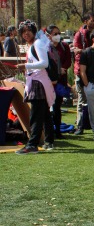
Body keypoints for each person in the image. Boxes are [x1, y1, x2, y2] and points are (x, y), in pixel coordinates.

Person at [15, 20, 56, 154]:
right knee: (44, 113)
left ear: (33, 31)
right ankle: (49, 141)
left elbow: (43, 63)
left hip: (38, 83)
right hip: (37, 81)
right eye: (23, 31)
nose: (26, 34)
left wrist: (25, 66)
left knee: (36, 114)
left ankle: (32, 144)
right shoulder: (34, 44)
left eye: (28, 30)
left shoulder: (37, 43)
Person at [46, 24, 72, 139]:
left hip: (60, 81)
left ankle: (57, 130)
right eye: (54, 34)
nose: (57, 36)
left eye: (58, 33)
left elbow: (68, 61)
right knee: (46, 106)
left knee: (57, 106)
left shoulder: (64, 46)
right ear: (48, 35)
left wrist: (63, 69)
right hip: (48, 81)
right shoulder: (46, 47)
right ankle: (48, 130)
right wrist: (56, 70)